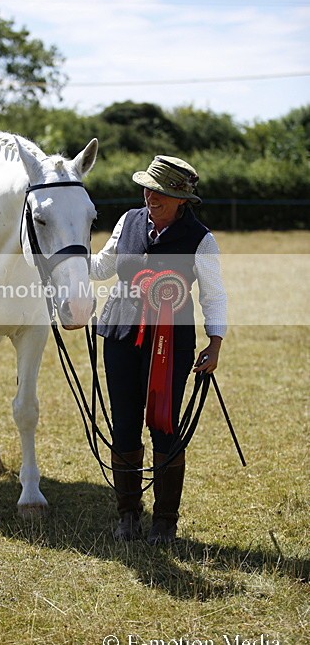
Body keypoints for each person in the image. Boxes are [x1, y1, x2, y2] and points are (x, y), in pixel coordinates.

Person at [90, 155, 227, 544]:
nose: (151, 197)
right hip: (120, 335)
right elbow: (102, 266)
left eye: (162, 192)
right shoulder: (128, 221)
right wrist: (66, 258)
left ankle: (165, 522)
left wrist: (215, 343)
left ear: (182, 199)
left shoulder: (202, 239)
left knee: (164, 427)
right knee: (125, 425)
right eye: (149, 189)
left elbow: (214, 296)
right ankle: (128, 516)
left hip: (171, 343)